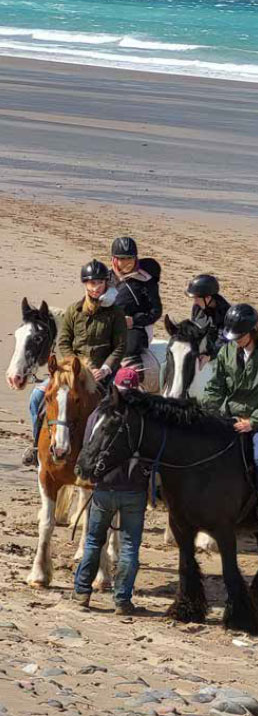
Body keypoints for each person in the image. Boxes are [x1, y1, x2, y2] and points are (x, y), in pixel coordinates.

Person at [22, 260, 126, 467]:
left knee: (118, 408)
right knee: (36, 397)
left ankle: (112, 456)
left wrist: (105, 369)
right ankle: (36, 448)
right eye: (91, 283)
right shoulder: (73, 311)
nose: (95, 287)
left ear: (106, 283)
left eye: (99, 283)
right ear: (84, 284)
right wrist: (72, 364)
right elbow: (63, 342)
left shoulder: (116, 313)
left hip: (102, 372)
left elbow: (120, 346)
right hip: (72, 370)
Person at [204, 304, 258, 536]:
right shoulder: (226, 352)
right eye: (233, 336)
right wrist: (212, 411)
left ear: (253, 331)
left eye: (240, 336)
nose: (236, 340)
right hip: (230, 417)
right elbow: (214, 387)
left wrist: (253, 421)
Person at [72, 367, 146, 615]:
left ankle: (82, 592)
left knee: (93, 541)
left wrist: (92, 476)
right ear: (136, 389)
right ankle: (122, 600)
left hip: (103, 488)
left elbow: (87, 448)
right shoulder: (144, 419)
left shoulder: (98, 415)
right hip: (134, 491)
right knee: (130, 546)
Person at [109, 236, 162, 379]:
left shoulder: (146, 280)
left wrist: (133, 320)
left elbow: (156, 311)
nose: (126, 263)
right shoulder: (106, 279)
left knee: (128, 349)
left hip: (137, 328)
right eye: (122, 259)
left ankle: (133, 385)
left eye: (130, 259)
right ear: (114, 260)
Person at [186, 273, 231, 359]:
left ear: (207, 298)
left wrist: (209, 355)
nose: (195, 302)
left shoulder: (227, 315)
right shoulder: (198, 307)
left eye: (196, 298)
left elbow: (223, 342)